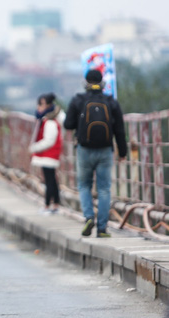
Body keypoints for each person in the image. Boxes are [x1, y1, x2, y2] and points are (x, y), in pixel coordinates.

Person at [64, 69, 128, 238]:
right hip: (105, 150)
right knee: (104, 189)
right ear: (102, 83)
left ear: (86, 82)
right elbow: (120, 130)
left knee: (84, 185)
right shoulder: (110, 102)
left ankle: (88, 217)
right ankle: (102, 228)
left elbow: (68, 125)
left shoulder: (78, 101)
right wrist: (123, 152)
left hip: (84, 150)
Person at [29, 93, 65, 214]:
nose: (38, 107)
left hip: (49, 154)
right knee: (52, 180)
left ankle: (47, 205)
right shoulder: (48, 119)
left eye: (41, 104)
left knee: (49, 181)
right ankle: (55, 204)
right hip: (49, 154)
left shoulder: (50, 121)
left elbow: (49, 141)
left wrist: (34, 148)